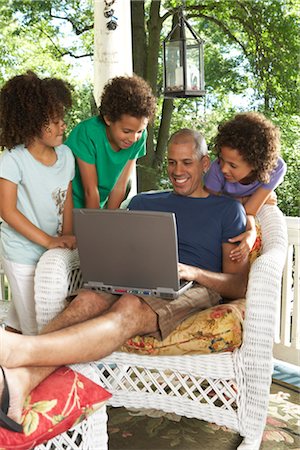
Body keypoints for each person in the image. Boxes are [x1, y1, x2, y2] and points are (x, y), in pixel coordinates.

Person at [0, 128, 249, 432]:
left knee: (130, 305)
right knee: (89, 298)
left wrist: (192, 271)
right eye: (172, 163)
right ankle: (20, 380)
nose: (177, 171)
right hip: (133, 274)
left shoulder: (228, 210)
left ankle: (18, 349)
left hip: (193, 285)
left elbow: (238, 285)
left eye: (187, 163)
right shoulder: (145, 202)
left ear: (205, 163)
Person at [0, 71, 76, 336]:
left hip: (51, 254)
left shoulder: (66, 156)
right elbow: (7, 211)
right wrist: (48, 241)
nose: (62, 126)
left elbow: (67, 200)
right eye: (54, 122)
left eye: (62, 119)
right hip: (21, 253)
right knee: (37, 333)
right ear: (32, 123)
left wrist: (66, 235)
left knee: (18, 325)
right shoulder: (13, 160)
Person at [65, 75, 156, 209]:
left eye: (139, 131)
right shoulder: (87, 133)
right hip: (67, 205)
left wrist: (110, 221)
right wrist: (96, 226)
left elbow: (120, 186)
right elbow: (91, 191)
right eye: (126, 131)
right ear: (108, 119)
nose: (133, 138)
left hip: (96, 205)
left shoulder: (138, 138)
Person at [205, 111, 286, 261]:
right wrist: (246, 199)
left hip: (244, 216)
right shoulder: (216, 170)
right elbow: (210, 208)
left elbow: (250, 210)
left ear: (255, 164)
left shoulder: (276, 168)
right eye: (221, 159)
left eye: (233, 165)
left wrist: (250, 230)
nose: (223, 168)